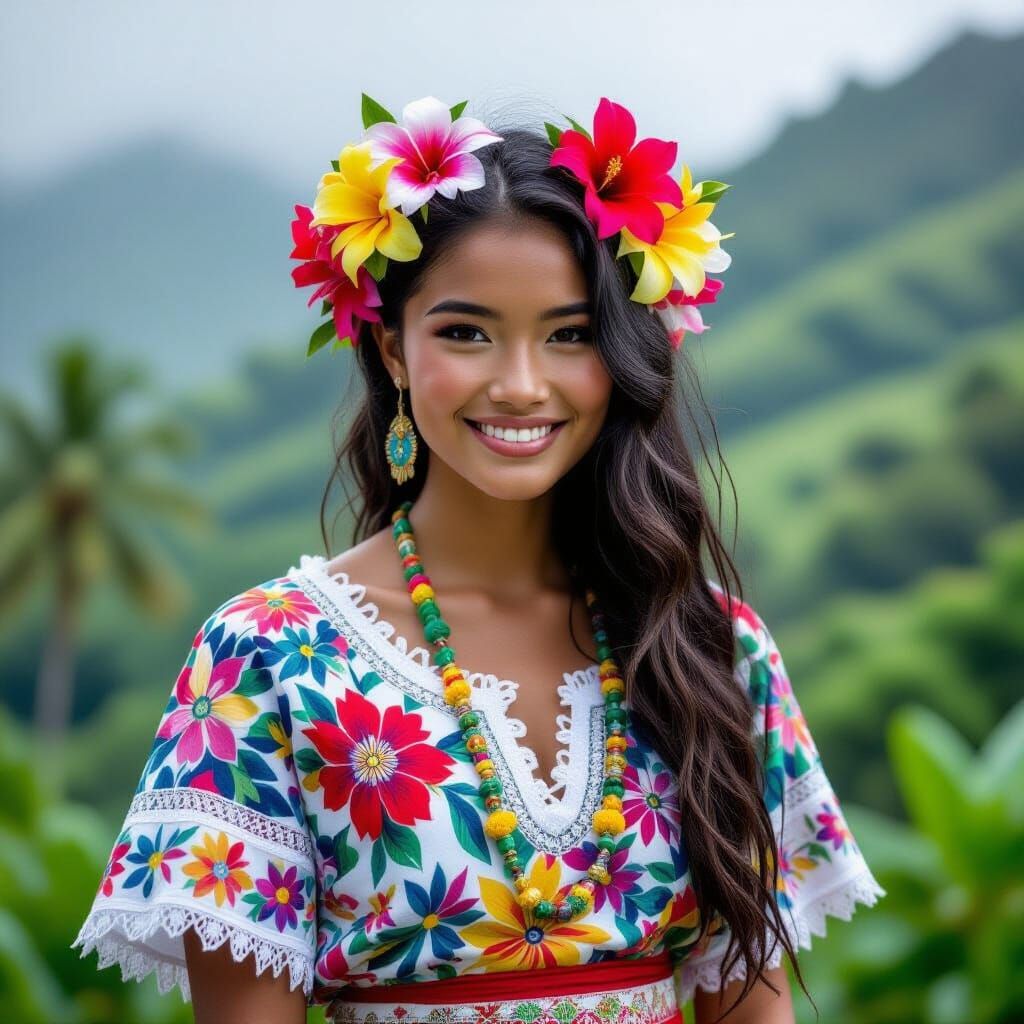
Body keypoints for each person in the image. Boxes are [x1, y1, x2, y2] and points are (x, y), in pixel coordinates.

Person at [73, 94, 885, 1024]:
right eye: (466, 332)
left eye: (570, 334)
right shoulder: (267, 661)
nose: (521, 384)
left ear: (624, 355)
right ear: (391, 349)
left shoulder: (709, 647)